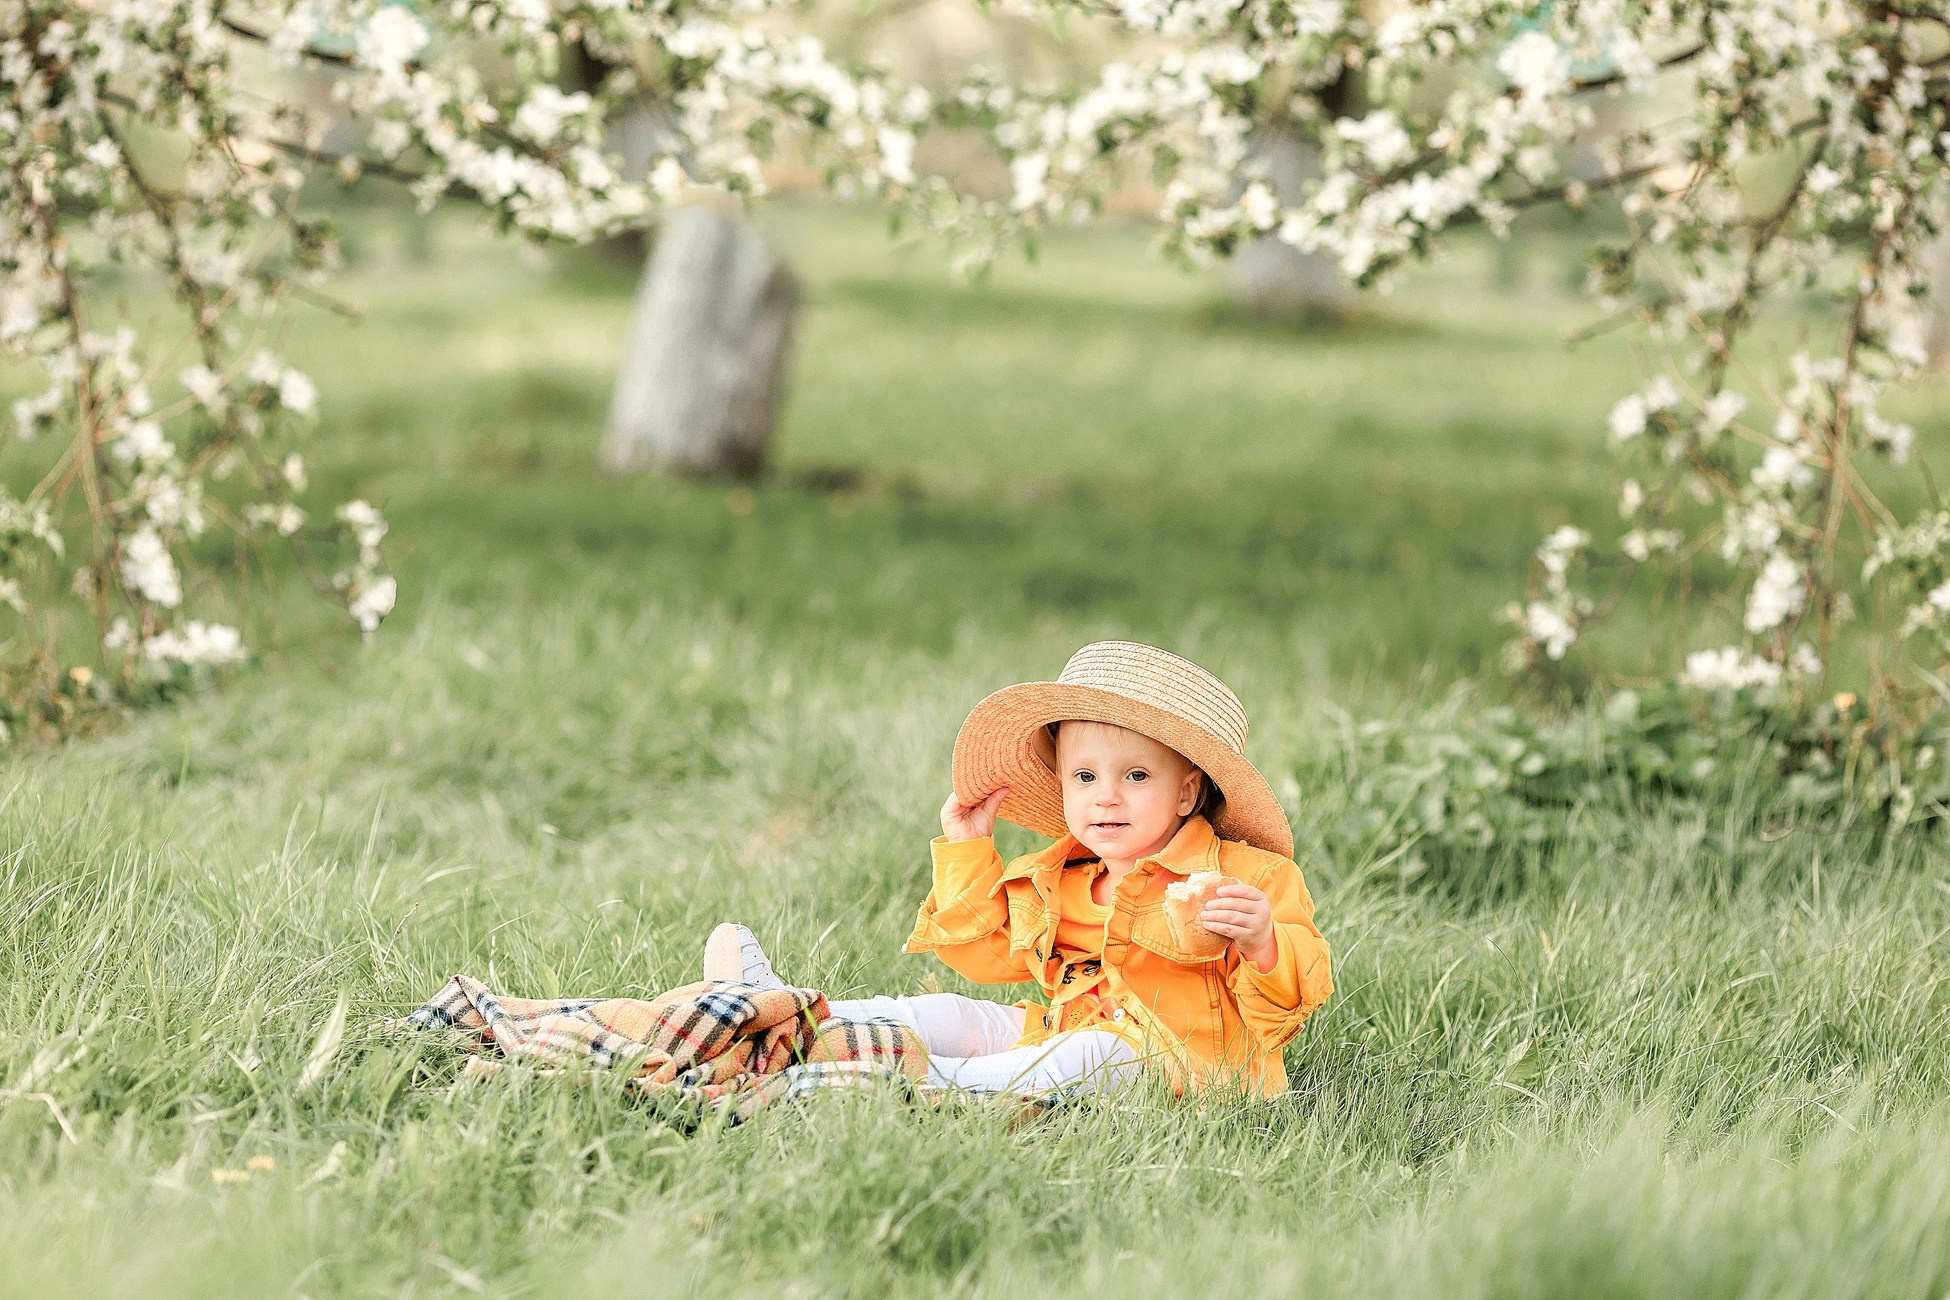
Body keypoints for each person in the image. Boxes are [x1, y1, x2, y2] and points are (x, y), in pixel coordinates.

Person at [706, 641, 1333, 1098]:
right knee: (957, 1014)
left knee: (1086, 1054)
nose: (1105, 797)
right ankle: (793, 1019)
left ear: (1189, 792)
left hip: (1183, 1067)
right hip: (1060, 1028)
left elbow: (1290, 1004)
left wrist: (1262, 942)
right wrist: (971, 850)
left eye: (1136, 777)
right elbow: (983, 955)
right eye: (1084, 777)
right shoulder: (1064, 877)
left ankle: (913, 1087)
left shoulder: (1245, 879)